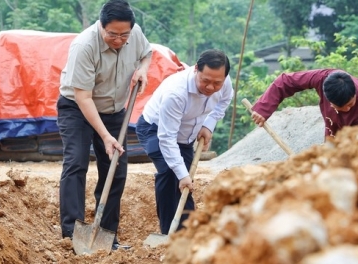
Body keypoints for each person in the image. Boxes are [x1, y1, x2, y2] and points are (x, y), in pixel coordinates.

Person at [57, 0, 152, 250]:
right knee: (76, 162)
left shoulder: (135, 33)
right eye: (112, 34)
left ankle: (107, 235)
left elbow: (147, 54)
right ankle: (71, 233)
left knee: (116, 168)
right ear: (101, 26)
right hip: (77, 108)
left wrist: (143, 69)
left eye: (124, 35)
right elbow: (83, 97)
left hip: (114, 109)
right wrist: (105, 136)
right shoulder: (84, 46)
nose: (119, 40)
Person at [135, 49, 233, 234]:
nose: (211, 87)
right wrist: (181, 173)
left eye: (216, 83)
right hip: (156, 130)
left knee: (185, 181)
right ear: (196, 69)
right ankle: (169, 234)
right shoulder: (176, 93)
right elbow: (167, 138)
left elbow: (225, 100)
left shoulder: (223, 83)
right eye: (205, 81)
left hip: (186, 135)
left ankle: (188, 232)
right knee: (170, 172)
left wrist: (208, 125)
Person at [251, 69, 358, 141]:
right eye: (341, 107)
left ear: (354, 93)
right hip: (333, 125)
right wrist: (263, 108)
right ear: (328, 99)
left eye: (350, 104)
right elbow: (285, 81)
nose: (347, 109)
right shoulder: (321, 78)